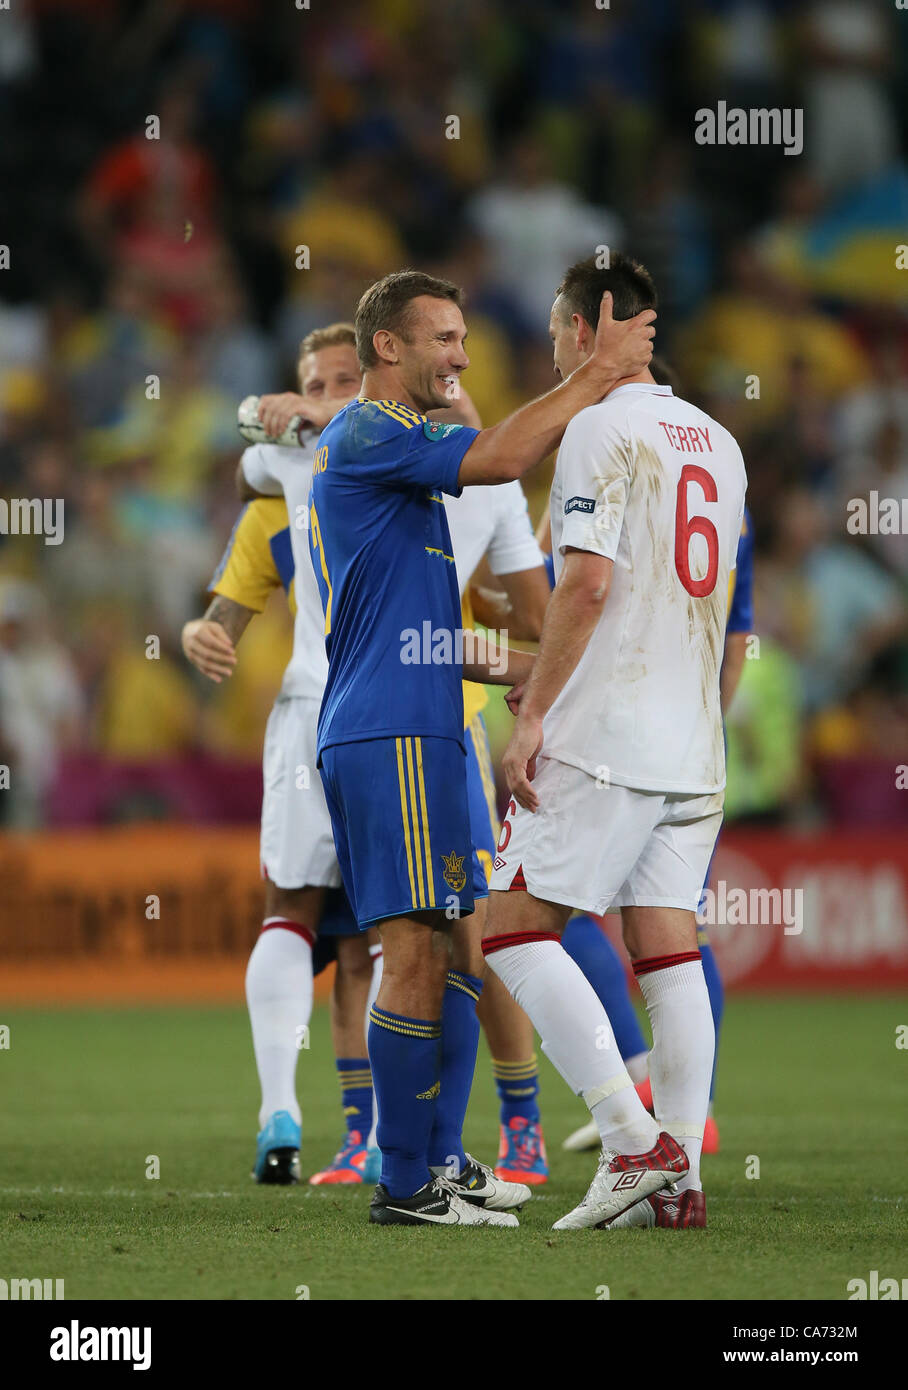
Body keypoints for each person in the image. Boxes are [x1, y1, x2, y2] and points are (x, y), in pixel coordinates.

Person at [308, 268, 655, 1226]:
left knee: (460, 945)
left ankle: (438, 1159)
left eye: (465, 339)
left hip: (422, 723)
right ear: (389, 347)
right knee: (414, 948)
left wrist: (547, 669)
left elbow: (426, 635)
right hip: (395, 735)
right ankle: (406, 1182)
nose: (462, 358)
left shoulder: (399, 465)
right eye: (445, 340)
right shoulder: (374, 432)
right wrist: (592, 375)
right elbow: (504, 458)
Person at [483, 253, 747, 1231]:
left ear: (587, 326)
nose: (551, 351)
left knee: (506, 926)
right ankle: (676, 1186)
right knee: (665, 944)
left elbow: (587, 585)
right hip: (693, 738)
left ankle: (635, 1142)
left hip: (609, 729)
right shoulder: (717, 441)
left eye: (556, 333)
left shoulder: (595, 425)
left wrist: (536, 709)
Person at [182, 324, 365, 1184]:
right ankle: (282, 1113)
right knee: (309, 911)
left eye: (342, 379)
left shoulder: (380, 452)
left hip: (367, 711)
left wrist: (278, 420)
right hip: (332, 708)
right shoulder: (276, 496)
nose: (322, 395)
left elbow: (252, 436)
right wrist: (202, 632)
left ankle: (371, 1131)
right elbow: (225, 615)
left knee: (381, 931)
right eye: (312, 381)